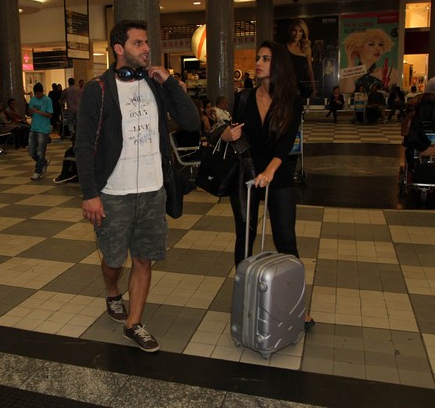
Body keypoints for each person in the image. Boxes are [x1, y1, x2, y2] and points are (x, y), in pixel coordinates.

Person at [75, 19, 200, 352]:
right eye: (139, 43)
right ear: (119, 49)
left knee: (143, 258)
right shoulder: (98, 90)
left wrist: (171, 82)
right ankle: (113, 292)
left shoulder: (157, 84)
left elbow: (191, 123)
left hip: (152, 190)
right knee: (114, 260)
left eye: (147, 43)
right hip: (113, 194)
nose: (147, 49)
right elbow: (84, 144)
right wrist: (90, 194)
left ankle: (135, 323)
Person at [219, 40, 314, 331]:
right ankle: (246, 298)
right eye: (258, 58)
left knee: (286, 239)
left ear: (279, 65)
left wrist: (271, 171)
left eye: (266, 58)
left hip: (279, 176)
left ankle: (297, 306)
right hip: (246, 175)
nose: (258, 62)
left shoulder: (292, 101)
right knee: (244, 238)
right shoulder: (243, 97)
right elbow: (233, 133)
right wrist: (226, 134)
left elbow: (286, 145)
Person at [341, 28, 397, 94]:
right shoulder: (347, 73)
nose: (377, 48)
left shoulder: (390, 72)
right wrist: (350, 64)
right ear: (359, 47)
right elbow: (347, 92)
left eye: (380, 44)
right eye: (371, 44)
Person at [28, 82, 53, 180]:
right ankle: (44, 162)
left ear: (42, 92)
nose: (37, 96)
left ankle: (37, 172)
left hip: (43, 129)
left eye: (38, 93)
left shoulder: (47, 100)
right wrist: (30, 111)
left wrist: (38, 112)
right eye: (35, 94)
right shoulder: (33, 99)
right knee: (31, 151)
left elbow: (50, 114)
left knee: (40, 152)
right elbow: (30, 111)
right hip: (33, 127)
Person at [285, 19, 316, 99]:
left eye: (300, 31)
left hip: (301, 87)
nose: (297, 34)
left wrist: (314, 88)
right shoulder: (283, 48)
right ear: (290, 31)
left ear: (303, 33)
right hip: (287, 85)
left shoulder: (306, 49)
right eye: (294, 30)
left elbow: (310, 70)